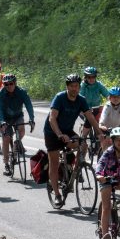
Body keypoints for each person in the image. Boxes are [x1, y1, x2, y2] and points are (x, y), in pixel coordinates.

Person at [44, 74, 104, 207]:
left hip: (67, 131)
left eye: (76, 86)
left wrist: (100, 134)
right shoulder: (60, 98)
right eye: (71, 86)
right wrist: (59, 134)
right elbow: (52, 118)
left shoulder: (81, 99)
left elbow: (91, 118)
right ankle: (58, 195)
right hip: (53, 132)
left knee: (83, 145)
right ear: (67, 87)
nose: (74, 89)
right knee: (53, 163)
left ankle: (76, 169)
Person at [0, 74, 35, 176]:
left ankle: (16, 145)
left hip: (17, 116)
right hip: (5, 118)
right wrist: (2, 122)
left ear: (15, 83)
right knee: (6, 138)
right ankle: (6, 164)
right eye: (6, 84)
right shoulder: (1, 93)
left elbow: (29, 105)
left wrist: (31, 119)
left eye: (11, 84)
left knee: (21, 129)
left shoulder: (21, 92)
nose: (9, 86)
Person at [80, 66, 109, 139]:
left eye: (93, 77)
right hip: (84, 110)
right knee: (89, 120)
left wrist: (112, 103)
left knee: (104, 121)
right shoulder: (82, 85)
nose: (91, 79)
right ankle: (82, 140)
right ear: (85, 77)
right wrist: (85, 109)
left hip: (96, 108)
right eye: (89, 77)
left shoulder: (98, 84)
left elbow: (107, 95)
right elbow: (79, 98)